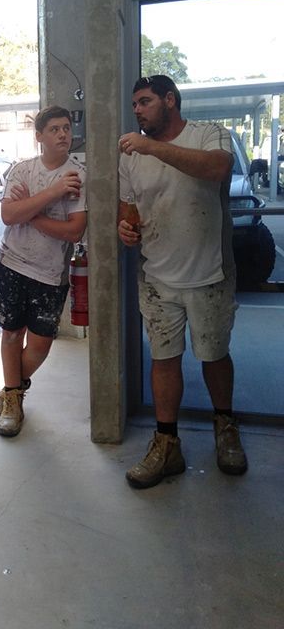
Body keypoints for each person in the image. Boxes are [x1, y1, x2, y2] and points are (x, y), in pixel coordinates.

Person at [118, 74, 248, 489]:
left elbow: (216, 169)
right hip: (157, 275)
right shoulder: (130, 156)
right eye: (135, 104)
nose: (137, 110)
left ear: (169, 100)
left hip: (209, 273)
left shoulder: (209, 134)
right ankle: (167, 443)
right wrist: (126, 227)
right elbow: (129, 207)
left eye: (145, 102)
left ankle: (225, 426)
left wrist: (152, 147)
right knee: (164, 359)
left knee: (213, 356)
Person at [0, 105, 87, 437]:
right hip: (12, 263)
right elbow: (7, 215)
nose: (62, 134)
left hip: (50, 273)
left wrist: (31, 211)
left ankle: (9, 390)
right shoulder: (22, 171)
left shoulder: (77, 175)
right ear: (39, 137)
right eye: (54, 129)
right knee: (12, 334)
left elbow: (74, 231)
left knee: (41, 345)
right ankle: (15, 404)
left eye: (66, 128)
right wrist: (54, 193)